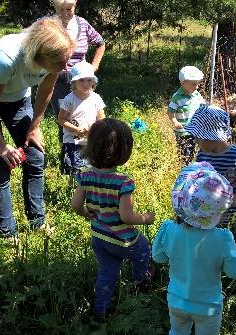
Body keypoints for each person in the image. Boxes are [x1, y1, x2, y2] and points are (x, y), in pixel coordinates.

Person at [0, 17, 75, 239]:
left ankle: (37, 221)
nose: (66, 68)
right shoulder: (6, 58)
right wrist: (1, 146)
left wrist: (34, 127)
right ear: (38, 56)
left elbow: (44, 92)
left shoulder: (56, 57)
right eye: (60, 63)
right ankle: (7, 233)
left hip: (18, 101)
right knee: (1, 164)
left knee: (35, 156)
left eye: (66, 61)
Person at [71, 118, 155, 318]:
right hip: (122, 238)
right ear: (123, 151)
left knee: (107, 270)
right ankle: (141, 283)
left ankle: (100, 310)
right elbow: (126, 216)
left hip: (99, 236)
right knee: (143, 250)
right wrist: (146, 218)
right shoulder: (123, 182)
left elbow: (75, 205)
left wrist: (85, 213)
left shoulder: (85, 175)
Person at [152, 161, 236, 335]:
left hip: (176, 300)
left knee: (177, 332)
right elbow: (235, 272)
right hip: (208, 306)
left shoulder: (169, 229)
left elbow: (158, 257)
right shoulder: (223, 238)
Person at [184, 105, 236, 262]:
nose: (195, 140)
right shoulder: (202, 154)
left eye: (198, 137)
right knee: (216, 245)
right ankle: (221, 268)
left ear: (211, 136)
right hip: (211, 214)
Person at [51, 0, 106, 174]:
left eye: (69, 9)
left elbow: (101, 43)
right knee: (65, 118)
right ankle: (68, 161)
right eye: (61, 10)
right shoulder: (49, 25)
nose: (66, 13)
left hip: (82, 80)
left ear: (75, 6)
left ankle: (89, 157)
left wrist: (93, 68)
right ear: (55, 8)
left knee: (87, 115)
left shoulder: (82, 24)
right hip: (57, 81)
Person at [57, 60, 105, 179]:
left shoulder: (96, 98)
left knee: (90, 167)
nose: (86, 84)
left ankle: (87, 189)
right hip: (73, 141)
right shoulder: (69, 100)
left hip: (90, 139)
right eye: (81, 80)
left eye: (89, 80)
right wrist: (76, 129)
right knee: (76, 168)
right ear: (74, 82)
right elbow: (61, 119)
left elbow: (102, 119)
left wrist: (94, 130)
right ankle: (74, 189)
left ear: (93, 81)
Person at [167, 66, 206, 165]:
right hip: (183, 132)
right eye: (193, 84)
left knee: (195, 151)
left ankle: (194, 167)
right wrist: (175, 121)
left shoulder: (197, 95)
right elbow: (170, 112)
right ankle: (185, 169)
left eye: (197, 84)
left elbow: (203, 107)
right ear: (183, 83)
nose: (196, 87)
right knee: (185, 153)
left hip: (196, 130)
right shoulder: (177, 97)